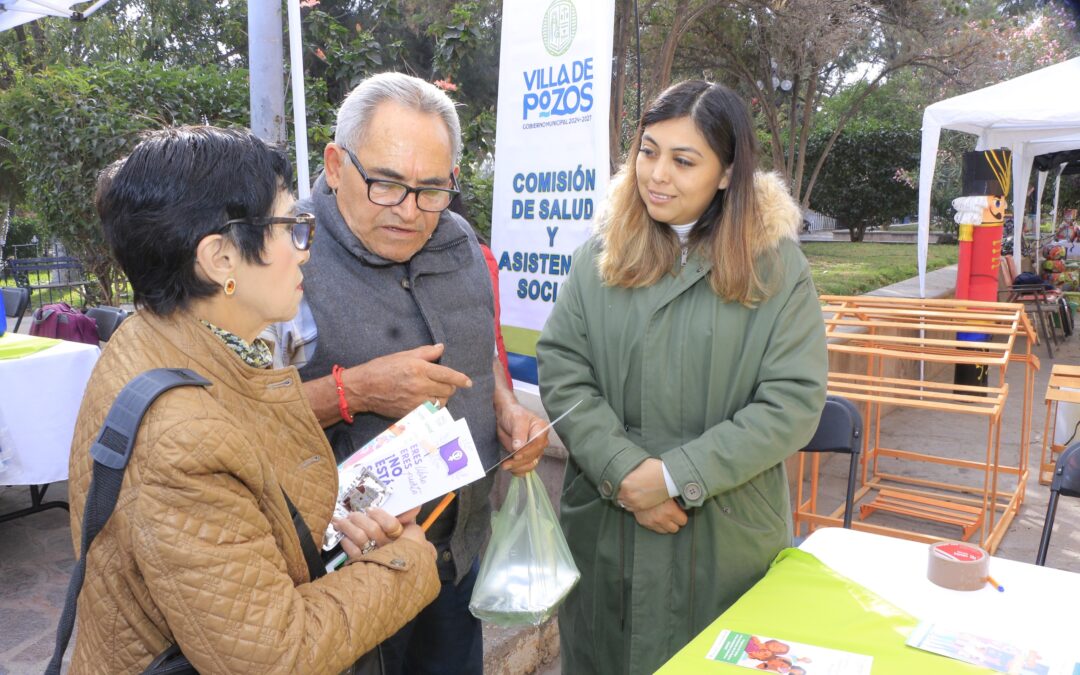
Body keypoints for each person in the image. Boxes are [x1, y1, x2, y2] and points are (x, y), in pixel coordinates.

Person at [65, 126, 440, 674]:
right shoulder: (180, 440)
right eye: (290, 227)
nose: (304, 252)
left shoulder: (158, 338)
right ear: (219, 258)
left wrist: (337, 527)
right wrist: (407, 559)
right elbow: (276, 655)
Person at [536, 80, 828, 674]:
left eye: (683, 160)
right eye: (648, 151)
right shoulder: (601, 254)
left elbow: (792, 400)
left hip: (722, 539)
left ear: (726, 173)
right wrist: (623, 472)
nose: (657, 175)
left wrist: (674, 477)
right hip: (607, 531)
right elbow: (564, 368)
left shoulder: (775, 264)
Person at [265, 72, 548, 675]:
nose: (411, 212)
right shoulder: (281, 256)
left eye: (431, 189)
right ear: (337, 164)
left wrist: (504, 407)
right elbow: (237, 416)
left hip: (455, 549)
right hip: (345, 570)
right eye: (387, 185)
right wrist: (354, 391)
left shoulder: (458, 241)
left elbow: (479, 349)